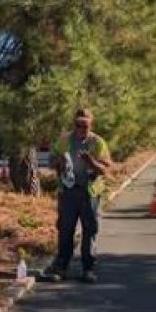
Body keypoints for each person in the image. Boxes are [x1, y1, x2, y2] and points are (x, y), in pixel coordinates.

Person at [43, 108, 112, 283]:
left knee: (89, 231)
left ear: (91, 124)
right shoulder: (65, 139)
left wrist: (91, 161)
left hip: (89, 193)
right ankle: (61, 268)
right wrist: (59, 162)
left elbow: (105, 168)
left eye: (85, 125)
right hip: (67, 192)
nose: (81, 128)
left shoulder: (98, 142)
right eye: (78, 124)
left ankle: (88, 269)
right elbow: (51, 161)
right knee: (65, 230)